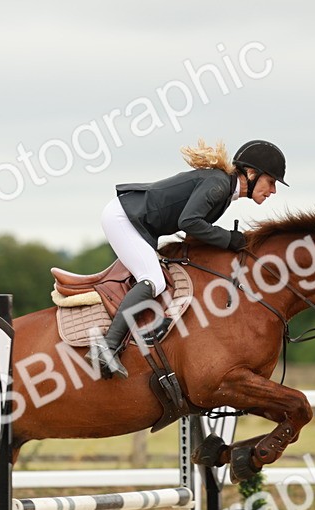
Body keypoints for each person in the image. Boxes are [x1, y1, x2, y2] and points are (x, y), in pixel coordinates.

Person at [88, 138, 288, 378]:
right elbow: (189, 223)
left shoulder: (223, 188)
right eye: (271, 181)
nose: (273, 190)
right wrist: (232, 240)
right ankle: (107, 346)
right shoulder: (219, 185)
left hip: (137, 222)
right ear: (252, 173)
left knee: (160, 277)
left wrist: (231, 241)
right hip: (123, 218)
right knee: (154, 280)